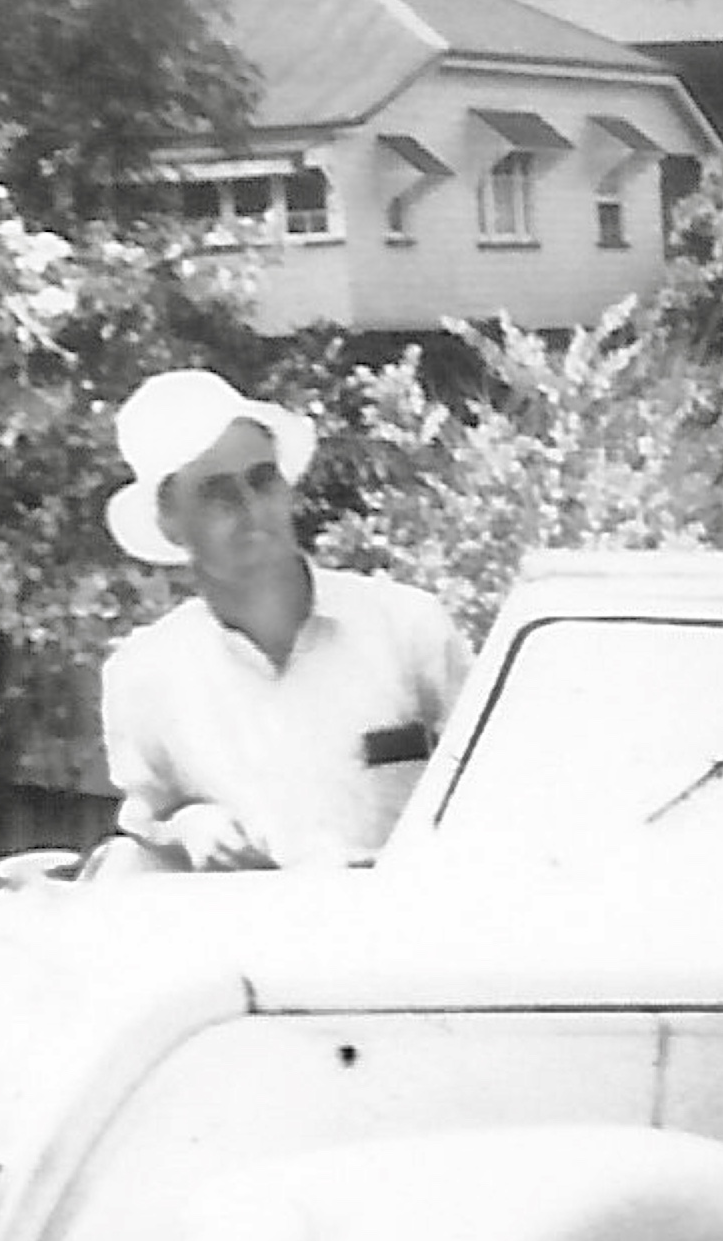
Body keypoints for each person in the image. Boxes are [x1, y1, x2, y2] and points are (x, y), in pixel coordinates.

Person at [94, 368, 467, 872]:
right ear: (170, 522)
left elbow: (502, 777)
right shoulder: (144, 675)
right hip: (255, 921)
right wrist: (187, 824)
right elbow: (145, 821)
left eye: (262, 480)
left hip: (414, 912)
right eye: (217, 492)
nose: (250, 507)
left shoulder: (407, 626)